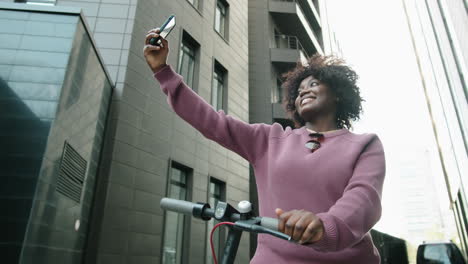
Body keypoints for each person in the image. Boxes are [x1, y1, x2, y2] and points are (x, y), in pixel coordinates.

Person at [143, 28, 385, 264]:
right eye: (299, 91)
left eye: (313, 85)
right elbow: (211, 121)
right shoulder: (269, 139)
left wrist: (325, 226)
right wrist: (164, 72)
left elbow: (364, 198)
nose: (303, 93)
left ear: (339, 94)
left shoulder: (365, 144)